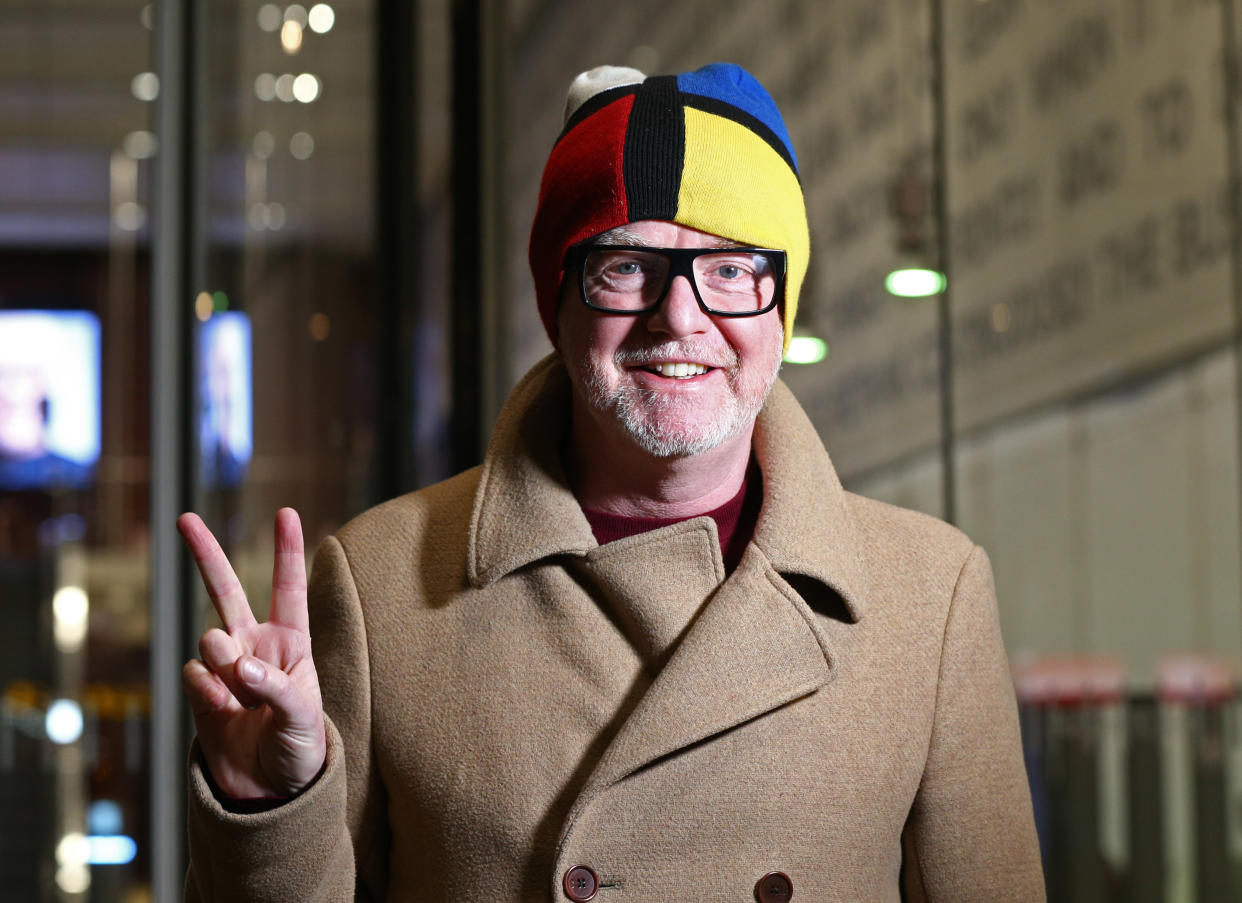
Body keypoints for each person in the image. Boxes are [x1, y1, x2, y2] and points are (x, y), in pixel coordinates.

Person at [179, 63, 1046, 902]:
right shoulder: (379, 582)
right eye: (625, 266)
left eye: (733, 269)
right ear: (558, 306)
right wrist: (270, 809)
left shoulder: (933, 593)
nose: (681, 316)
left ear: (779, 310)